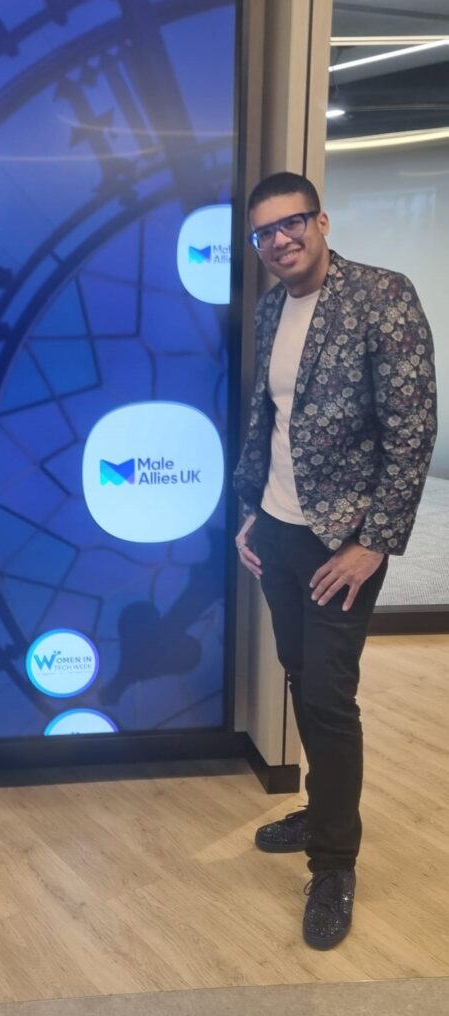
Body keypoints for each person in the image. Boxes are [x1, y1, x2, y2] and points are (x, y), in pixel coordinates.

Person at [233, 173, 437, 950]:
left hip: (342, 544)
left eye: (290, 225)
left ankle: (333, 862)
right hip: (280, 533)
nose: (279, 241)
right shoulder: (269, 309)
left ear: (320, 221)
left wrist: (373, 543)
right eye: (264, 234)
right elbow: (269, 421)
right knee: (298, 673)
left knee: (325, 696)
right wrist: (251, 511)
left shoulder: (381, 296)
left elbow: (411, 428)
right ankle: (323, 811)